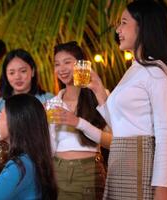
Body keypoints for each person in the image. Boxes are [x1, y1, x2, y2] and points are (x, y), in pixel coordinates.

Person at [88, 1, 167, 199]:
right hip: (121, 161)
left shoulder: (156, 71)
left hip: (138, 162)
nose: (118, 29)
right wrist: (99, 90)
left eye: (124, 22)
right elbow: (120, 126)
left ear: (143, 26)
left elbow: (165, 133)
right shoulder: (135, 69)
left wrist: (162, 186)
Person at [48, 41, 109, 200]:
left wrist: (78, 123)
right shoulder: (52, 104)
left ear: (82, 64)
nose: (61, 69)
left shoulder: (100, 96)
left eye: (67, 62)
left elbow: (113, 141)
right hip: (58, 172)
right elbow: (50, 146)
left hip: (88, 170)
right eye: (57, 64)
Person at [0, 49, 53, 146]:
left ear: (32, 71)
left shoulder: (49, 100)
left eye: (23, 71)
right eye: (12, 73)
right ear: (6, 75)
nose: (17, 77)